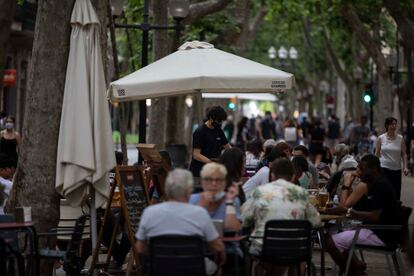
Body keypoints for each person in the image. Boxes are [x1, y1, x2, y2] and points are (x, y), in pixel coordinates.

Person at [136, 169, 226, 274]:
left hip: (160, 269)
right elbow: (217, 247)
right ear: (189, 191)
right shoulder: (200, 213)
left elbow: (140, 247)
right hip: (193, 269)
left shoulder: (149, 213)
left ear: (166, 189)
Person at [241, 158, 321, 275]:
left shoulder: (260, 192)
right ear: (294, 176)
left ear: (272, 175)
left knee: (255, 255)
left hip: (265, 249)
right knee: (297, 260)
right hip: (296, 249)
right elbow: (316, 222)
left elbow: (244, 220)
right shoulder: (302, 193)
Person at [325, 154, 400, 275]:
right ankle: (356, 267)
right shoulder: (376, 183)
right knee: (335, 234)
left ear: (374, 168)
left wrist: (350, 212)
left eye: (362, 169)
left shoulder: (381, 185)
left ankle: (355, 273)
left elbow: (374, 216)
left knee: (331, 242)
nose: (359, 172)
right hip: (374, 230)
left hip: (381, 233)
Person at [189, 163, 241, 232]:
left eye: (218, 180)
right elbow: (188, 227)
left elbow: (232, 229)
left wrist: (229, 201)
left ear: (225, 183)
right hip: (198, 241)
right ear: (202, 182)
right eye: (208, 179)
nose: (214, 183)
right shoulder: (192, 199)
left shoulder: (233, 199)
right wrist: (201, 206)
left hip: (226, 241)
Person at [189, 106, 231, 177]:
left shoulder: (219, 130)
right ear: (211, 118)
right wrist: (211, 162)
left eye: (221, 121)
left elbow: (228, 147)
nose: (220, 123)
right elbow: (196, 155)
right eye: (219, 120)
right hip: (199, 171)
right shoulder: (200, 131)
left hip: (213, 170)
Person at [375, 117, 409, 199]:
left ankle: (395, 210)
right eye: (391, 124)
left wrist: (405, 167)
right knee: (385, 192)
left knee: (396, 193)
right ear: (387, 126)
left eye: (395, 124)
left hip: (396, 169)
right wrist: (375, 168)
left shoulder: (400, 138)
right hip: (384, 168)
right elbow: (377, 154)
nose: (394, 126)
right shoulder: (381, 138)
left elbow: (404, 154)